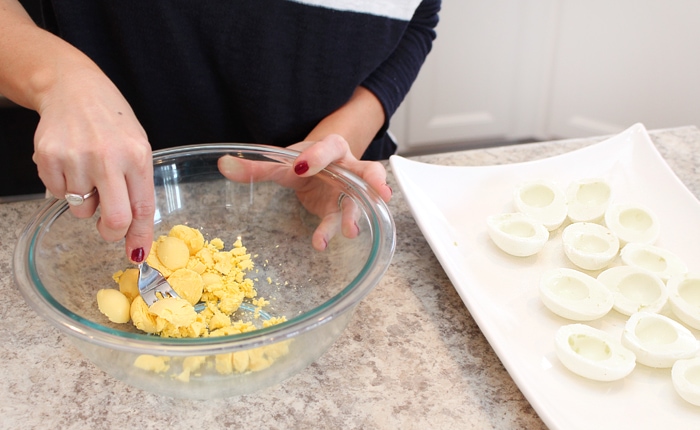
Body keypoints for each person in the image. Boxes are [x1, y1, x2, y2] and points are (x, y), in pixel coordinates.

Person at [0, 0, 440, 259]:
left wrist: (339, 138)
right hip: (98, 194)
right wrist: (56, 76)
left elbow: (420, 21)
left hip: (322, 199)